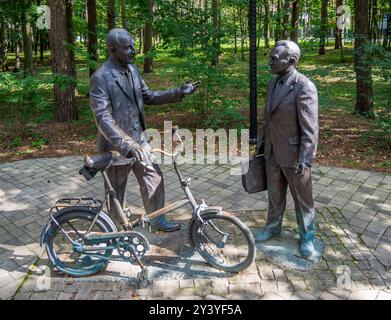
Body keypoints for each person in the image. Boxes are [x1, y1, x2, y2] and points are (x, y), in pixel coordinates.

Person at [89, 28, 198, 232]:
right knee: (116, 191)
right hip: (115, 147)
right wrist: (126, 144)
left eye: (133, 45)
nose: (133, 50)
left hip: (140, 141)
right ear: (112, 49)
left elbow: (149, 96)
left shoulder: (133, 70)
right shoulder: (100, 78)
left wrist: (178, 92)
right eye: (127, 47)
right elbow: (102, 117)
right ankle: (114, 229)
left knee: (153, 177)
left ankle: (157, 220)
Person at [255, 40, 319, 257]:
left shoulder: (304, 86)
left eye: (275, 58)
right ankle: (272, 227)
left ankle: (307, 237)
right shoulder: (273, 83)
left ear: (291, 60)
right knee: (275, 196)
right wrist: (262, 142)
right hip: (272, 151)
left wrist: (306, 158)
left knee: (303, 200)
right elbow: (268, 117)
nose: (270, 61)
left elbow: (310, 128)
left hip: (295, 156)